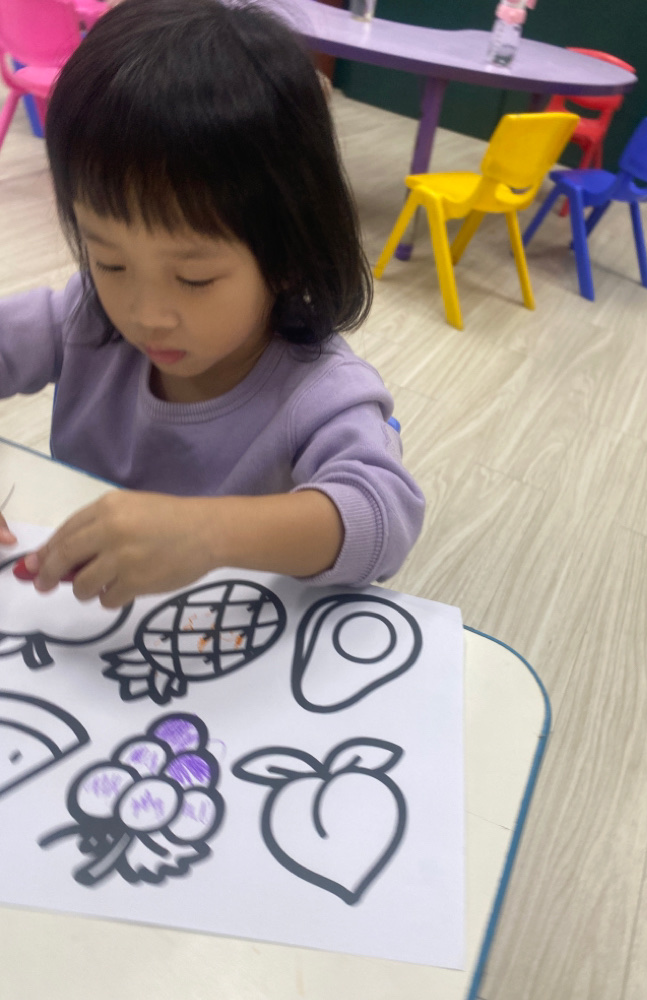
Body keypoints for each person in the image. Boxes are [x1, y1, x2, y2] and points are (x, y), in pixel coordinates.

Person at [0, 0, 424, 608]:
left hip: (225, 635)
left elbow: (385, 517)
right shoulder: (85, 319)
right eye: (111, 263)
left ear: (287, 253)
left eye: (194, 278)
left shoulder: (317, 391)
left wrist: (208, 533)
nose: (146, 313)